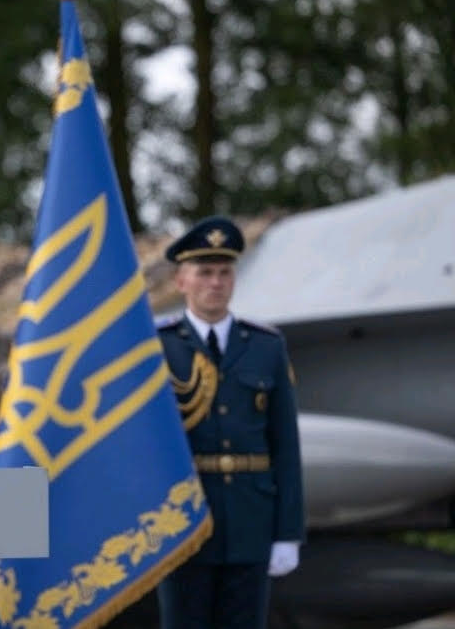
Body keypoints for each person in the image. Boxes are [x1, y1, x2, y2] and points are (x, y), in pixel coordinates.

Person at [155, 215, 305, 629]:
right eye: (204, 272)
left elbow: (285, 445)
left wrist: (287, 531)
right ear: (181, 280)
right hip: (182, 524)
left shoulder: (266, 347)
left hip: (250, 522)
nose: (216, 282)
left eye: (224, 272)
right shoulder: (157, 348)